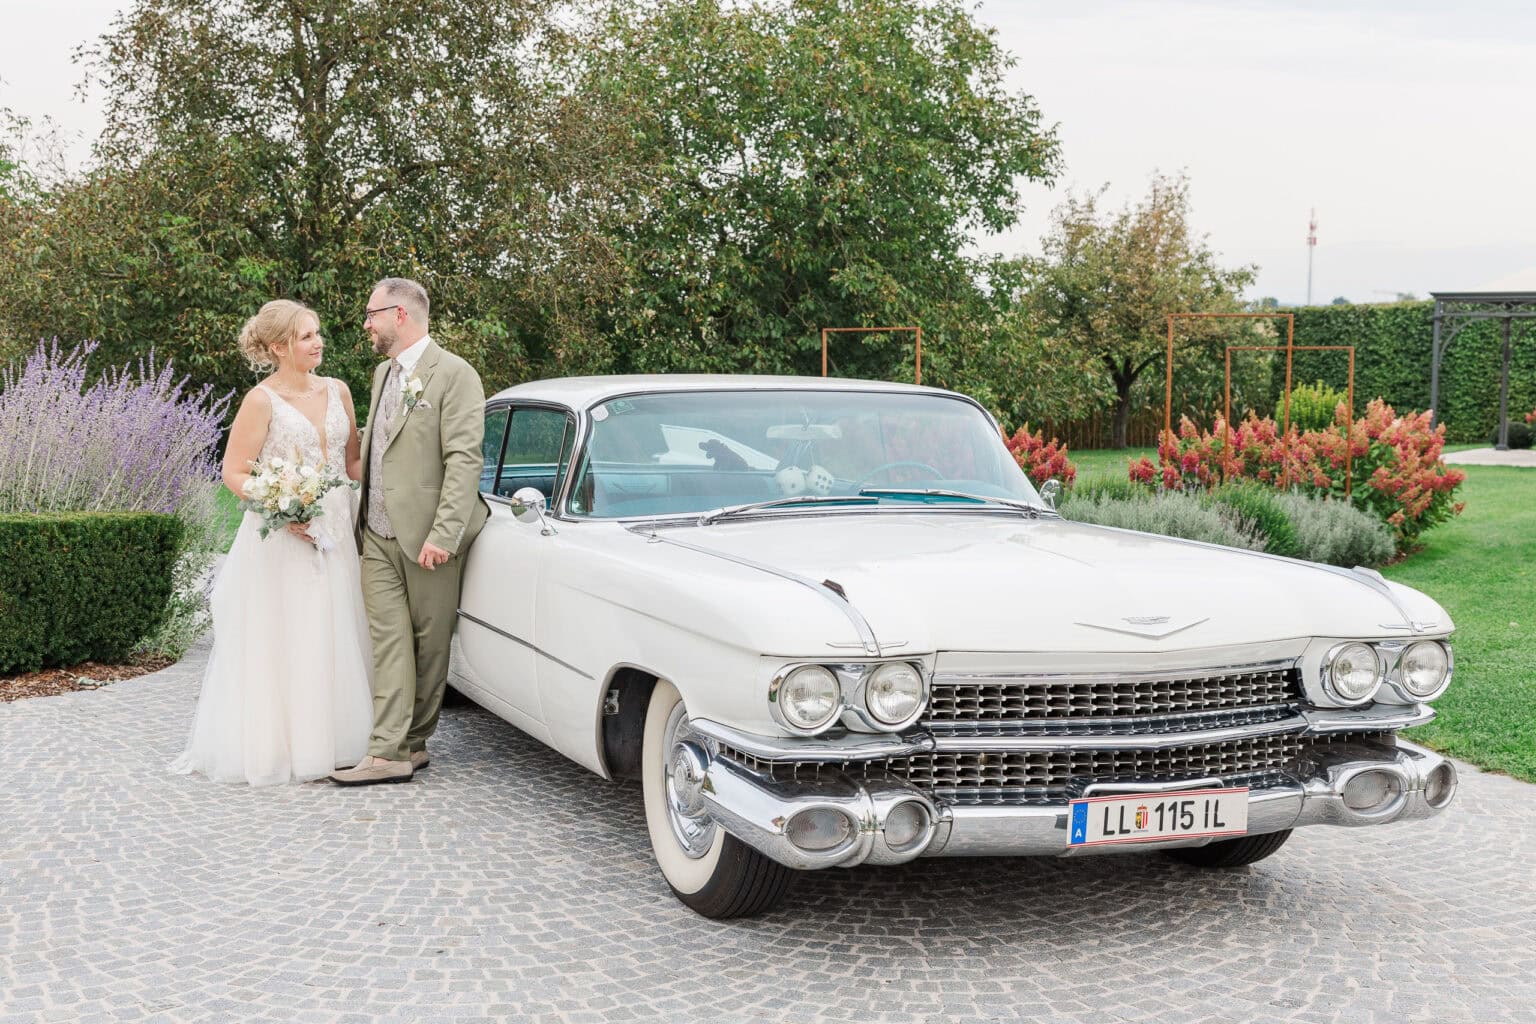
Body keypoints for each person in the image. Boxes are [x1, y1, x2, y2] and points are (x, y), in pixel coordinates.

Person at [171, 300, 373, 785]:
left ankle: (343, 737)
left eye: (318, 332)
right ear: (280, 346)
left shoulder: (339, 390)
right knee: (293, 633)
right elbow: (233, 471)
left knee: (339, 625)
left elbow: (352, 467)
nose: (318, 341)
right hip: (286, 536)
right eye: (307, 336)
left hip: (338, 529)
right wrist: (283, 511)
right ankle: (288, 745)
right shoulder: (261, 401)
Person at [329, 278, 488, 785]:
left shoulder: (456, 374)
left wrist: (444, 532)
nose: (366, 323)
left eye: (371, 313)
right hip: (374, 532)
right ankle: (386, 751)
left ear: (400, 315)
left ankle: (413, 743)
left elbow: (464, 459)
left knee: (429, 643)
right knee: (389, 642)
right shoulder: (381, 374)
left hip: (428, 537)